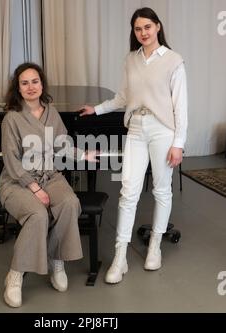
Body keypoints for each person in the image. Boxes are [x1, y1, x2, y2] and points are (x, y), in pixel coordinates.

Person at [80, 7, 188, 283]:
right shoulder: (131, 59)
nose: (143, 33)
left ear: (158, 27)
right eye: (138, 29)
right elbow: (124, 96)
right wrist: (98, 109)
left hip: (164, 130)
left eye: (148, 27)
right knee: (128, 191)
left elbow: (181, 106)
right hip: (137, 128)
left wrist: (179, 143)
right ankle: (120, 257)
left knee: (162, 189)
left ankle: (154, 247)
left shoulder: (174, 60)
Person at [0, 62, 98, 307]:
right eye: (25, 83)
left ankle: (56, 259)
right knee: (38, 214)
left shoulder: (51, 113)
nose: (31, 87)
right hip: (17, 181)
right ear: (18, 88)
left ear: (42, 84)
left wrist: (82, 155)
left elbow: (62, 144)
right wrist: (35, 189)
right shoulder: (11, 118)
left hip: (49, 175)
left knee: (69, 203)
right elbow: (11, 161)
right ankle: (15, 273)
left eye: (35, 81)